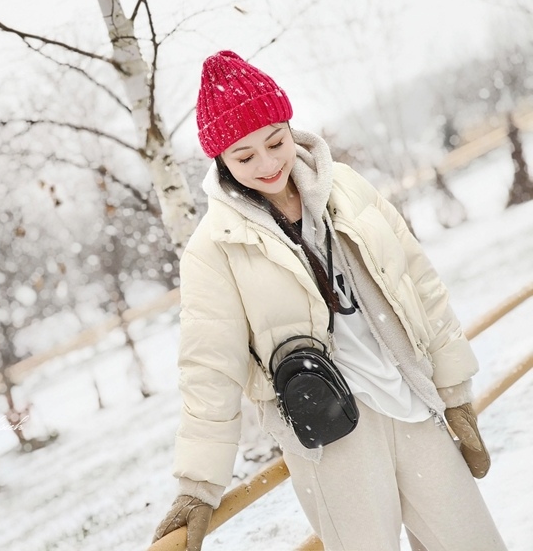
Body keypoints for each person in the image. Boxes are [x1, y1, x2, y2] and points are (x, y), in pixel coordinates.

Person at [152, 50, 506, 551]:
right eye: (244, 156)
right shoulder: (214, 248)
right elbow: (209, 368)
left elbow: (421, 287)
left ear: (290, 128)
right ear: (221, 161)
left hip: (410, 401)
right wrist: (197, 488)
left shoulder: (348, 188)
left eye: (275, 142)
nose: (269, 164)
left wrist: (455, 393)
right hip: (332, 438)